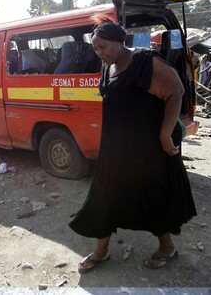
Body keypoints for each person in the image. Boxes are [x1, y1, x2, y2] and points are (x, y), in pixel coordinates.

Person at [68, 17, 197, 273]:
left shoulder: (145, 61)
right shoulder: (108, 67)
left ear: (119, 41)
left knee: (152, 196)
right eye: (95, 48)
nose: (99, 53)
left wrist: (164, 133)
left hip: (148, 147)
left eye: (103, 46)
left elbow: (176, 91)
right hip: (117, 149)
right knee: (106, 196)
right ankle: (101, 251)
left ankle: (167, 247)